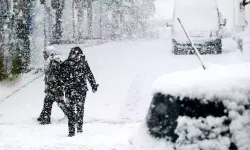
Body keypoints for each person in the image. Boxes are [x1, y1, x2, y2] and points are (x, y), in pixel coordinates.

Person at [60, 46, 99, 137]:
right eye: (75, 55)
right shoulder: (65, 64)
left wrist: (93, 85)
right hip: (69, 90)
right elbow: (60, 79)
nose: (77, 57)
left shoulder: (83, 63)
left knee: (80, 108)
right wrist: (61, 91)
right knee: (70, 110)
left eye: (78, 55)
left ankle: (79, 128)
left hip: (81, 90)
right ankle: (71, 130)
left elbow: (89, 74)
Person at [37, 50, 76, 137]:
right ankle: (44, 119)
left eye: (44, 55)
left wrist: (59, 92)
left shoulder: (53, 64)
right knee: (47, 103)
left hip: (54, 91)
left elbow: (56, 79)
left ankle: (71, 117)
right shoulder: (53, 63)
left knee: (59, 104)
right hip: (52, 90)